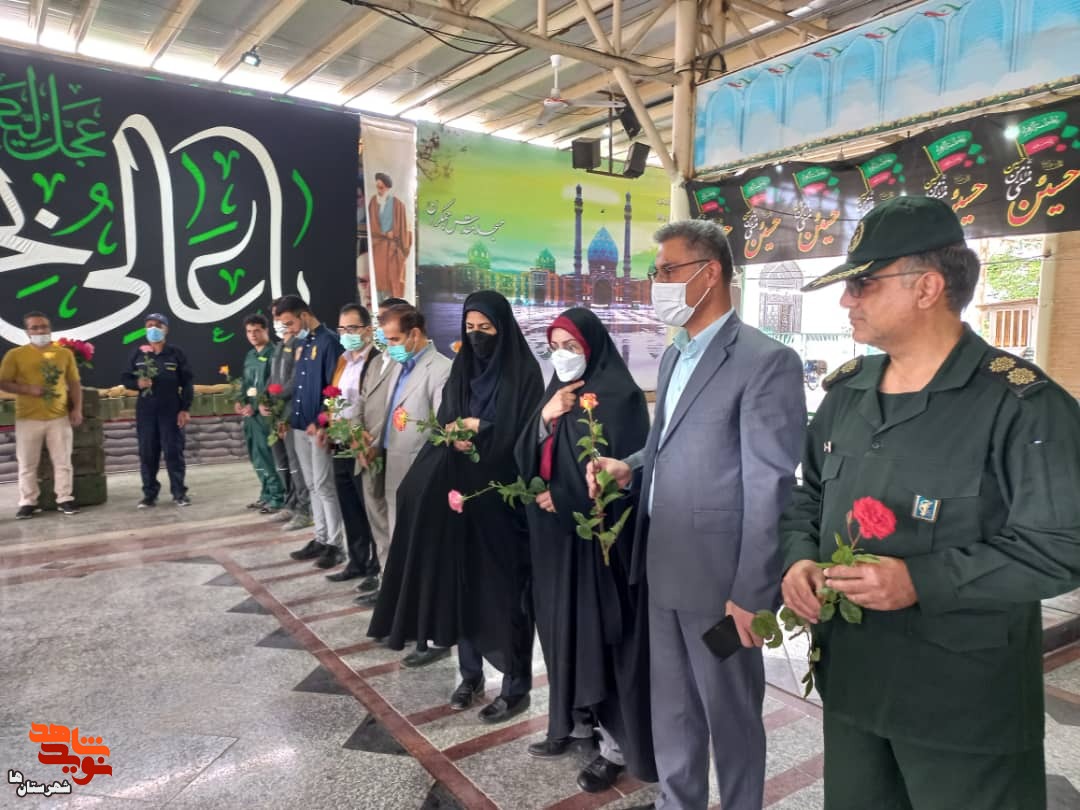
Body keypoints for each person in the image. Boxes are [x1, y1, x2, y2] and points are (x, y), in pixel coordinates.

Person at [779, 196, 1080, 810]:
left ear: (927, 287)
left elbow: (1062, 547)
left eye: (863, 284)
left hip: (963, 705)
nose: (847, 301)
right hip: (856, 683)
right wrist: (798, 558)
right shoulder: (847, 395)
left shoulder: (1023, 407)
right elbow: (808, 493)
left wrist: (922, 580)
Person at [590, 220, 806, 810]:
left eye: (666, 270)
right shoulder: (675, 356)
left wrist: (751, 592)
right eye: (655, 272)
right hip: (664, 563)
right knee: (673, 707)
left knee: (730, 714)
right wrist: (629, 466)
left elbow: (770, 484)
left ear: (709, 274)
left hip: (720, 581)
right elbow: (663, 443)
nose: (656, 283)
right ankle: (677, 801)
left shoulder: (765, 362)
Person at [368, 291, 543, 724]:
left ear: (503, 328)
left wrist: (483, 427)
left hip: (502, 503)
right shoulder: (462, 369)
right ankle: (470, 675)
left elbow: (526, 435)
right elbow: (444, 421)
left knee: (506, 595)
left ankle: (516, 685)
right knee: (462, 586)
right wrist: (453, 435)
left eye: (486, 328)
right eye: (471, 328)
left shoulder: (523, 373)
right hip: (460, 498)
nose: (477, 336)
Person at [515, 307, 656, 794]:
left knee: (601, 640)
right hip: (555, 542)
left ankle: (615, 747)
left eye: (571, 346)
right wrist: (544, 419)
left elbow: (627, 477)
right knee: (562, 634)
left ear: (592, 346)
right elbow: (523, 457)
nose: (562, 355)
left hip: (598, 546)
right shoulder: (554, 393)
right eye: (554, 346)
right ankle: (572, 723)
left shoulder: (620, 396)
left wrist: (565, 495)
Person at [355, 305, 453, 659]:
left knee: (424, 555)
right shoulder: (400, 365)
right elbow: (390, 412)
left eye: (395, 339)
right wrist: (373, 441)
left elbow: (443, 430)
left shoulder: (441, 369)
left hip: (421, 475)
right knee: (401, 552)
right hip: (393, 467)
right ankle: (405, 623)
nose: (391, 347)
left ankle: (434, 635)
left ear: (415, 334)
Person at [276, 295, 346, 570]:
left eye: (290, 323)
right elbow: (299, 387)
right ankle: (321, 537)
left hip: (319, 427)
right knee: (312, 485)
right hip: (299, 425)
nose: (289, 329)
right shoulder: (303, 344)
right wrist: (288, 417)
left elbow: (334, 388)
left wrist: (322, 421)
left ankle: (336, 545)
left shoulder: (330, 343)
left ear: (304, 315)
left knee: (325, 486)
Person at [355, 297, 412, 598]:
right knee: (377, 520)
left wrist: (375, 441)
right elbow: (361, 402)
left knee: (398, 524)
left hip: (394, 452)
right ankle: (384, 579)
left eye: (385, 320)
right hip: (368, 453)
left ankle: (398, 588)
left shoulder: (409, 364)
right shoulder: (376, 362)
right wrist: (357, 435)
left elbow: (399, 412)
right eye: (378, 320)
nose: (380, 326)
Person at [0, 311, 82, 518]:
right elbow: (3, 382)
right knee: (27, 463)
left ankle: (65, 498)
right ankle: (28, 502)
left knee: (63, 461)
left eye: (43, 326)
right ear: (27, 332)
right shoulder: (15, 355)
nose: (40, 331)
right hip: (28, 417)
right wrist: (28, 390)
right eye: (34, 328)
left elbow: (74, 383)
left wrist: (77, 409)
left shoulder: (64, 354)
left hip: (59, 417)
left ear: (50, 328)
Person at [323, 303, 380, 584]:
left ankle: (376, 566)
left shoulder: (377, 361)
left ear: (367, 330)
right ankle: (356, 561)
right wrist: (327, 425)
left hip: (363, 444)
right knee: (349, 507)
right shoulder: (343, 360)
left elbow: (375, 405)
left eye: (352, 328)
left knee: (370, 508)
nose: (347, 334)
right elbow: (334, 398)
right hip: (340, 441)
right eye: (342, 329)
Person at [121, 313, 195, 508]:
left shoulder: (175, 353)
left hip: (171, 410)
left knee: (173, 452)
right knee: (147, 454)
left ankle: (179, 493)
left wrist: (185, 409)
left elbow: (187, 383)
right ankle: (149, 495)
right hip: (146, 412)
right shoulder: (138, 353)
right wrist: (137, 383)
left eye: (158, 325)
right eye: (149, 325)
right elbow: (126, 378)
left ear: (166, 329)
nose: (153, 328)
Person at [265, 300, 313, 530]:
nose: (279, 323)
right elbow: (272, 378)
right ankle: (291, 503)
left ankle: (305, 510)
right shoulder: (279, 346)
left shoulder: (300, 343)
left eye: (283, 319)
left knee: (297, 463)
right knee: (283, 462)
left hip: (292, 413)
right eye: (276, 318)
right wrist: (265, 399)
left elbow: (297, 381)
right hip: (277, 413)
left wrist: (278, 398)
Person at [238, 313, 285, 513]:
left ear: (266, 330)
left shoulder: (275, 354)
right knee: (256, 457)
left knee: (268, 457)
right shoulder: (250, 356)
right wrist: (240, 401)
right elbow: (246, 384)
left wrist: (256, 406)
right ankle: (265, 494)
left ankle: (278, 497)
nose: (253, 335)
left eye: (257, 330)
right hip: (251, 417)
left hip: (266, 416)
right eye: (249, 331)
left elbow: (273, 385)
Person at [367, 173, 412, 300]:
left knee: (393, 284)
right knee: (378, 284)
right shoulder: (373, 202)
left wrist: (402, 249)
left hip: (393, 251)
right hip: (377, 249)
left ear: (387, 187)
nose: (379, 190)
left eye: (381, 187)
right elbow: (372, 227)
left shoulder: (398, 205)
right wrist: (384, 234)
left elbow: (405, 231)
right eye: (377, 187)